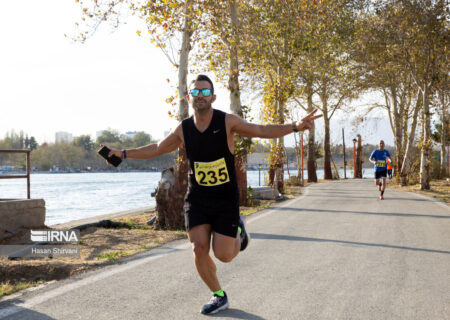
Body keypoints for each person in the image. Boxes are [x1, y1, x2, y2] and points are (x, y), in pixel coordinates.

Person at [104, 74, 322, 315]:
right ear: (188, 97)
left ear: (213, 97)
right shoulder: (183, 128)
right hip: (197, 198)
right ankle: (218, 295)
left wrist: (294, 126)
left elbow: (260, 129)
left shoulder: (227, 121)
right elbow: (157, 148)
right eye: (195, 92)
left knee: (224, 255)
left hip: (224, 200)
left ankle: (239, 229)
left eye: (205, 92)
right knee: (198, 249)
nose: (200, 95)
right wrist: (123, 154)